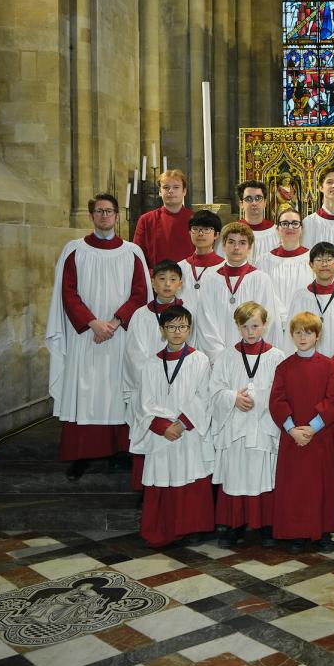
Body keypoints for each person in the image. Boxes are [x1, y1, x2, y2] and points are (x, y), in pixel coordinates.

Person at [46, 194, 148, 480]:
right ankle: (82, 455)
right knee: (86, 390)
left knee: (119, 389)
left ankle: (121, 451)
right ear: (91, 216)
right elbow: (67, 292)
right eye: (99, 211)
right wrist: (92, 323)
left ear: (117, 216)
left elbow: (140, 292)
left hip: (120, 334)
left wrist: (114, 323)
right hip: (86, 336)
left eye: (109, 211)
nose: (104, 216)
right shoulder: (75, 250)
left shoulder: (132, 252)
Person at [131, 304, 214, 548]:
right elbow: (142, 402)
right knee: (162, 479)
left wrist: (182, 423)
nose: (177, 332)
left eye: (182, 326)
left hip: (187, 431)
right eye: (171, 327)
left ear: (189, 329)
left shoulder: (200, 360)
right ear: (162, 330)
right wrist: (161, 426)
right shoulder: (151, 364)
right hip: (161, 434)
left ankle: (192, 529)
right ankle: (161, 530)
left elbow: (204, 396)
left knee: (191, 477)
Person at [209, 301, 286, 548]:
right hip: (235, 427)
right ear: (237, 327)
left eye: (255, 326)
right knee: (235, 473)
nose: (250, 332)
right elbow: (215, 390)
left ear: (265, 325)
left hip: (263, 426)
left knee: (263, 474)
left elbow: (281, 392)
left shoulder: (277, 356)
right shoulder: (226, 356)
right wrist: (233, 398)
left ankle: (265, 525)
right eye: (245, 327)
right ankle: (233, 525)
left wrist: (259, 400)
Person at [269, 312, 334, 554]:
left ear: (318, 336)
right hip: (293, 437)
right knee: (296, 486)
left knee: (321, 485)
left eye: (308, 332)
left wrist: (312, 428)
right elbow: (277, 401)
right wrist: (292, 429)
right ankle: (296, 532)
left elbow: (332, 402)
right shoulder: (284, 367)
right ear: (291, 335)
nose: (303, 337)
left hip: (319, 435)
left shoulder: (329, 366)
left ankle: (321, 531)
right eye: (298, 332)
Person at [204, 223, 285, 356]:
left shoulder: (261, 279)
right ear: (223, 246)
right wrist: (220, 357)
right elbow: (205, 322)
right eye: (231, 242)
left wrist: (256, 355)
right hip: (219, 359)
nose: (236, 247)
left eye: (242, 243)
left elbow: (268, 320)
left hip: (254, 356)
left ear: (249, 248)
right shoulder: (210, 280)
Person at [281, 241, 334, 358]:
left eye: (329, 260)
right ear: (311, 264)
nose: (324, 264)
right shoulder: (301, 297)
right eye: (319, 260)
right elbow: (291, 331)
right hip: (306, 364)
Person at [123, 261, 185, 407]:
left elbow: (192, 348)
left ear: (180, 284)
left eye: (173, 279)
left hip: (179, 382)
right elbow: (134, 354)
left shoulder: (187, 313)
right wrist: (155, 379)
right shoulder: (140, 315)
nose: (167, 284)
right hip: (148, 385)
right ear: (152, 282)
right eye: (162, 279)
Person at [178, 210, 223, 355]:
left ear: (216, 234)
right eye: (196, 229)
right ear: (189, 232)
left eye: (206, 229)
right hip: (183, 336)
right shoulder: (179, 268)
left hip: (216, 337)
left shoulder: (224, 269)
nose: (200, 233)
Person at [132, 169, 194, 267]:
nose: (171, 191)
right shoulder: (146, 220)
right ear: (160, 191)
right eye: (166, 187)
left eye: (176, 187)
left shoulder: (195, 219)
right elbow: (138, 254)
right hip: (157, 278)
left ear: (184, 191)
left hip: (190, 277)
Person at [260, 208, 314, 311]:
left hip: (305, 321)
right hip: (272, 321)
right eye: (284, 224)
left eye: (295, 223)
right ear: (278, 229)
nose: (290, 227)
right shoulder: (264, 261)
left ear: (301, 229)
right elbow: (261, 294)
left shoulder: (312, 259)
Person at [238, 180, 279, 261]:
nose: (254, 203)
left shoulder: (277, 233)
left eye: (258, 198)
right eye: (249, 198)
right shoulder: (230, 232)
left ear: (265, 202)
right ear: (241, 204)